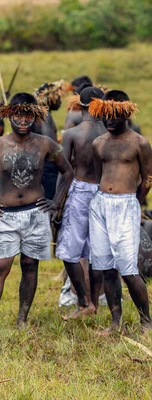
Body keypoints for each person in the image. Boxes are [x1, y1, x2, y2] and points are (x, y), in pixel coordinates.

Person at [0, 93, 73, 328]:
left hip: (36, 214)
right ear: (9, 116)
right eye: (19, 114)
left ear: (35, 116)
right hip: (6, 216)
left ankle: (22, 320)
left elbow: (67, 172)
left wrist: (55, 201)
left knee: (29, 265)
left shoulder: (45, 144)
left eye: (28, 115)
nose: (24, 120)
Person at [88, 90, 152, 333]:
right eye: (106, 115)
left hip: (126, 204)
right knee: (106, 266)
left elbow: (148, 177)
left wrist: (135, 200)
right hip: (101, 204)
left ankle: (146, 320)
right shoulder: (99, 143)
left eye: (115, 115)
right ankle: (116, 323)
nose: (110, 120)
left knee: (128, 268)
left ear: (126, 113)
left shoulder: (140, 143)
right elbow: (98, 175)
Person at [55, 87, 106, 319]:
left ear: (81, 105)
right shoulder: (110, 131)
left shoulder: (72, 134)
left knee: (69, 251)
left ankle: (85, 302)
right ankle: (93, 301)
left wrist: (57, 202)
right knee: (98, 251)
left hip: (80, 190)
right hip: (105, 192)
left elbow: (64, 171)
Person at [34, 81, 65, 200]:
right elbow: (49, 144)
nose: (60, 101)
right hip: (47, 169)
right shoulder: (45, 115)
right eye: (59, 97)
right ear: (51, 98)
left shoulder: (41, 114)